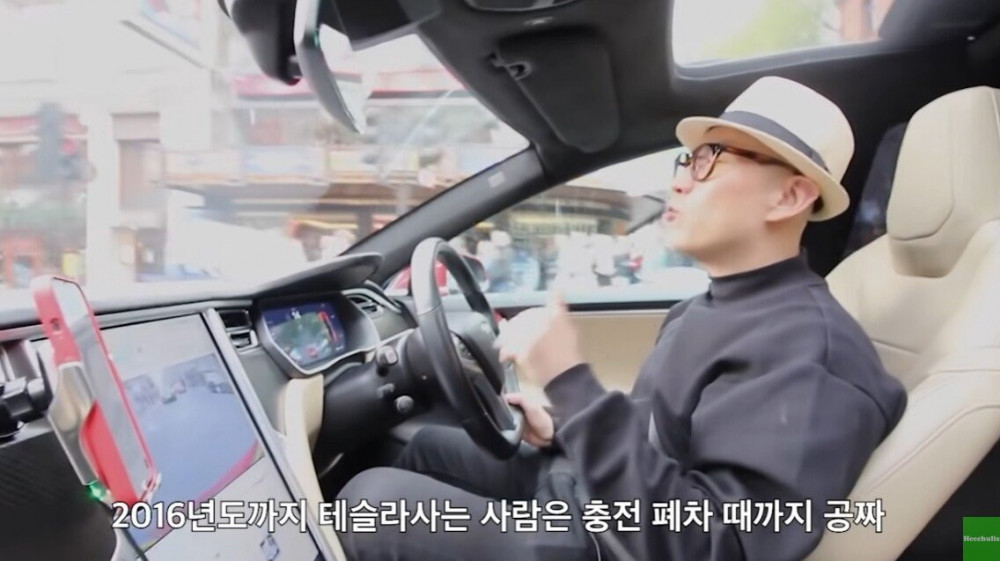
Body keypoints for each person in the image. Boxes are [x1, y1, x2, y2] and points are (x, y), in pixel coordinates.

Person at [337, 76, 907, 561]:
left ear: (788, 197)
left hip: (615, 544)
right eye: (687, 159)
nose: (679, 179)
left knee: (373, 505)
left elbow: (715, 544)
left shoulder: (811, 354)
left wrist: (570, 382)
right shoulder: (709, 307)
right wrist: (563, 425)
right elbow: (662, 434)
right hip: (601, 502)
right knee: (428, 447)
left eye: (711, 160)